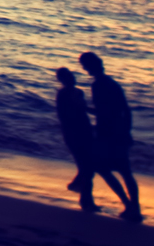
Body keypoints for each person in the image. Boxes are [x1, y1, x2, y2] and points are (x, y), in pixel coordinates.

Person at [80, 51, 143, 223]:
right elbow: (126, 110)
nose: (84, 69)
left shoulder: (97, 85)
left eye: (84, 66)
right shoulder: (113, 84)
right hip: (120, 132)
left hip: (107, 134)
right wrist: (127, 131)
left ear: (89, 67)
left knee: (103, 169)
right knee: (126, 172)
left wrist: (84, 109)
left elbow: (102, 112)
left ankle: (128, 205)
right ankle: (135, 207)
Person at [55, 68, 122, 212]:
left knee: (87, 167)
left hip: (86, 131)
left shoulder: (79, 92)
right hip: (73, 134)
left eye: (71, 75)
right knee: (87, 168)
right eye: (67, 77)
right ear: (62, 80)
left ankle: (83, 196)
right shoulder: (62, 94)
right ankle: (85, 200)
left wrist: (103, 113)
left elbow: (84, 109)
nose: (71, 78)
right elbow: (63, 116)